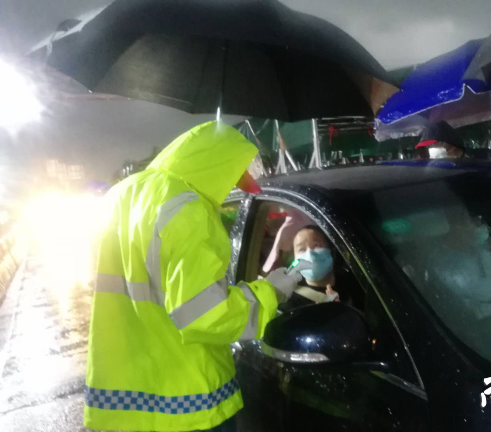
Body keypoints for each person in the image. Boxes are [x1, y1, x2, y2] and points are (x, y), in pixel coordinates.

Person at [85, 121, 301, 432]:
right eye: (232, 179)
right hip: (186, 399)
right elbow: (206, 315)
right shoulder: (187, 209)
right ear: (219, 168)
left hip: (127, 395)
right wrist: (271, 292)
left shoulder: (121, 195)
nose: (228, 192)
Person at [280, 225, 346, 311]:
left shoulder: (354, 280)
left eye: (317, 245)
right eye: (301, 249)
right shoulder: (289, 302)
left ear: (332, 251)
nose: (310, 254)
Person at [415, 121, 491, 160]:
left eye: (433, 145)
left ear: (450, 142)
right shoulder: (440, 173)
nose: (430, 150)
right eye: (428, 147)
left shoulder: (487, 156)